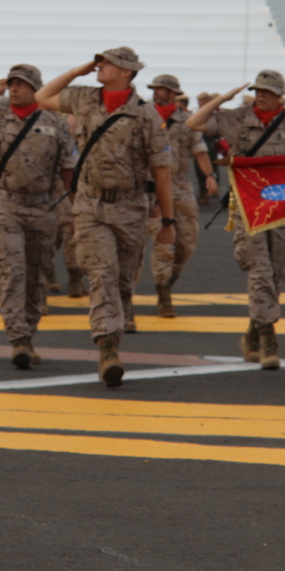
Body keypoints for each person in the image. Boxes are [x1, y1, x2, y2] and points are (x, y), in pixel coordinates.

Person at [36, 48, 176, 388]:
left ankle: (114, 327)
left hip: (130, 208)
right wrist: (79, 70)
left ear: (127, 72)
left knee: (123, 282)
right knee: (102, 275)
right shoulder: (84, 98)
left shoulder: (146, 115)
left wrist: (168, 222)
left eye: (107, 63)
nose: (100, 66)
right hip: (90, 206)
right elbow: (43, 96)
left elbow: (161, 172)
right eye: (99, 61)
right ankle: (108, 347)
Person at [0, 66, 78, 367]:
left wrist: (74, 209)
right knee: (12, 270)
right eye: (11, 84)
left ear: (36, 89)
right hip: (6, 207)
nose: (14, 89)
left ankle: (28, 335)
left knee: (36, 276)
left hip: (44, 208)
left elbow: (68, 170)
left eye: (21, 84)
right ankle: (17, 338)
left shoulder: (55, 125)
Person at [187, 71, 285, 369]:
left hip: (281, 203)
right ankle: (269, 337)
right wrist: (223, 99)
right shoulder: (236, 117)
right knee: (260, 267)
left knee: (278, 267)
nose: (261, 95)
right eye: (258, 90)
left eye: (268, 92)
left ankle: (252, 333)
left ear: (280, 95)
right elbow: (194, 123)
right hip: (248, 202)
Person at [143, 74, 216, 318]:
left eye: (161, 89)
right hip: (152, 188)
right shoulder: (143, 116)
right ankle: (163, 293)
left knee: (187, 244)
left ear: (172, 93)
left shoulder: (188, 121)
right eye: (154, 88)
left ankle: (168, 281)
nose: (156, 92)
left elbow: (200, 150)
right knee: (164, 244)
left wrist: (210, 175)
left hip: (181, 187)